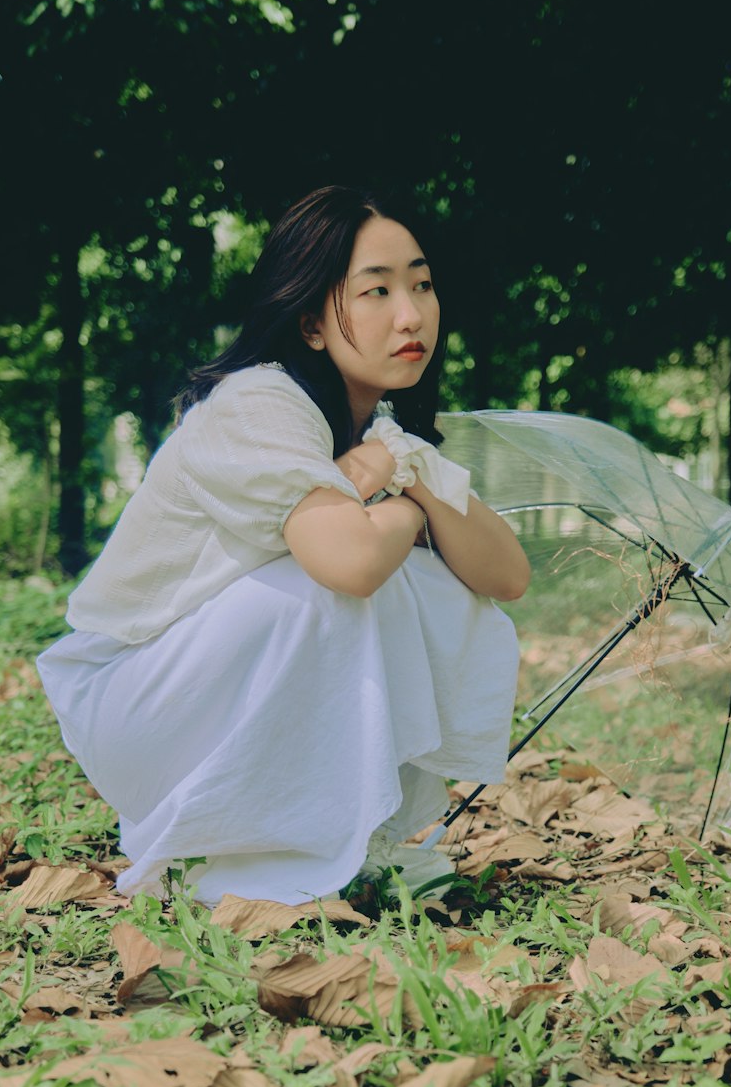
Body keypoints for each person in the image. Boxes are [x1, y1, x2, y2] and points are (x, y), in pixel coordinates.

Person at [37, 186, 530, 907]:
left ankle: (349, 838)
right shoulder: (258, 402)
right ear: (309, 323)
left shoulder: (381, 430)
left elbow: (507, 575)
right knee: (339, 586)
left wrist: (408, 474)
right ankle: (234, 862)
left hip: (203, 685)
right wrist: (400, 500)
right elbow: (351, 565)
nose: (411, 313)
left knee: (438, 588)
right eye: (378, 291)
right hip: (138, 703)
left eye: (422, 285)